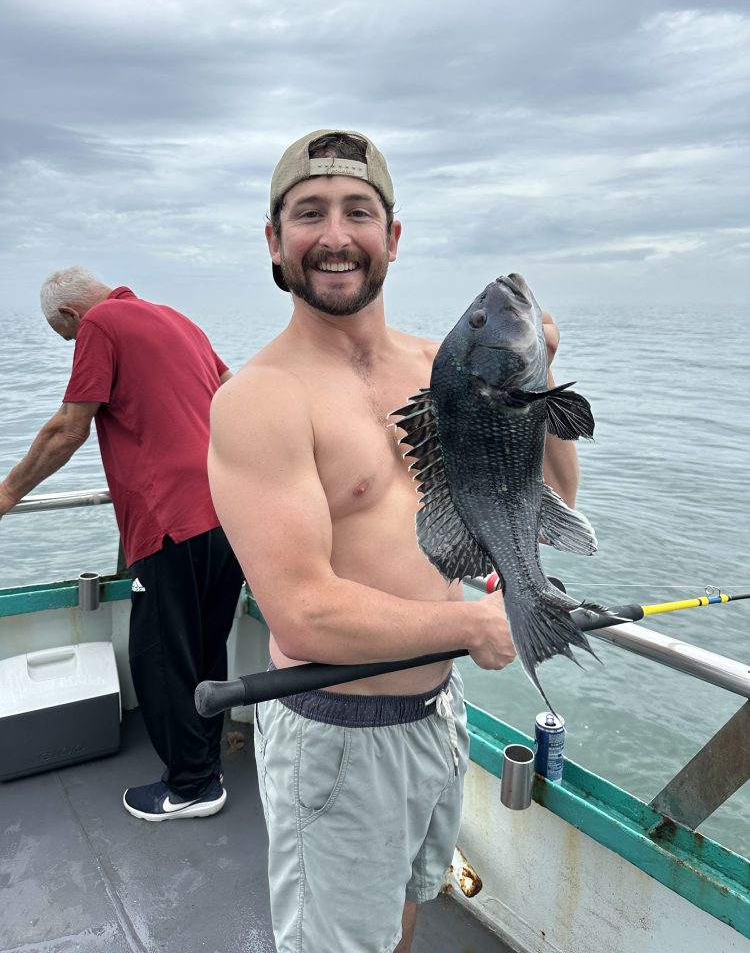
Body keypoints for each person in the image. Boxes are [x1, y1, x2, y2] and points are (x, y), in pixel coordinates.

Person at [207, 130, 580, 953]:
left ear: (393, 237)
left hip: (438, 715)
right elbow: (303, 615)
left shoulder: (440, 362)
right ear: (275, 241)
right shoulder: (258, 400)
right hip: (336, 739)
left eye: (358, 212)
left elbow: (548, 494)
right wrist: (476, 625)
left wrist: (538, 381)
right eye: (309, 213)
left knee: (409, 909)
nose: (336, 235)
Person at [0, 268, 244, 822]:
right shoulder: (178, 320)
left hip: (167, 521)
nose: (69, 342)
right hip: (224, 513)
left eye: (63, 336)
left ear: (68, 316)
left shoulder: (100, 324)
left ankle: (189, 788)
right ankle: (206, 765)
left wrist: (8, 492)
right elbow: (236, 393)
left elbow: (69, 427)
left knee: (159, 655)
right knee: (206, 647)